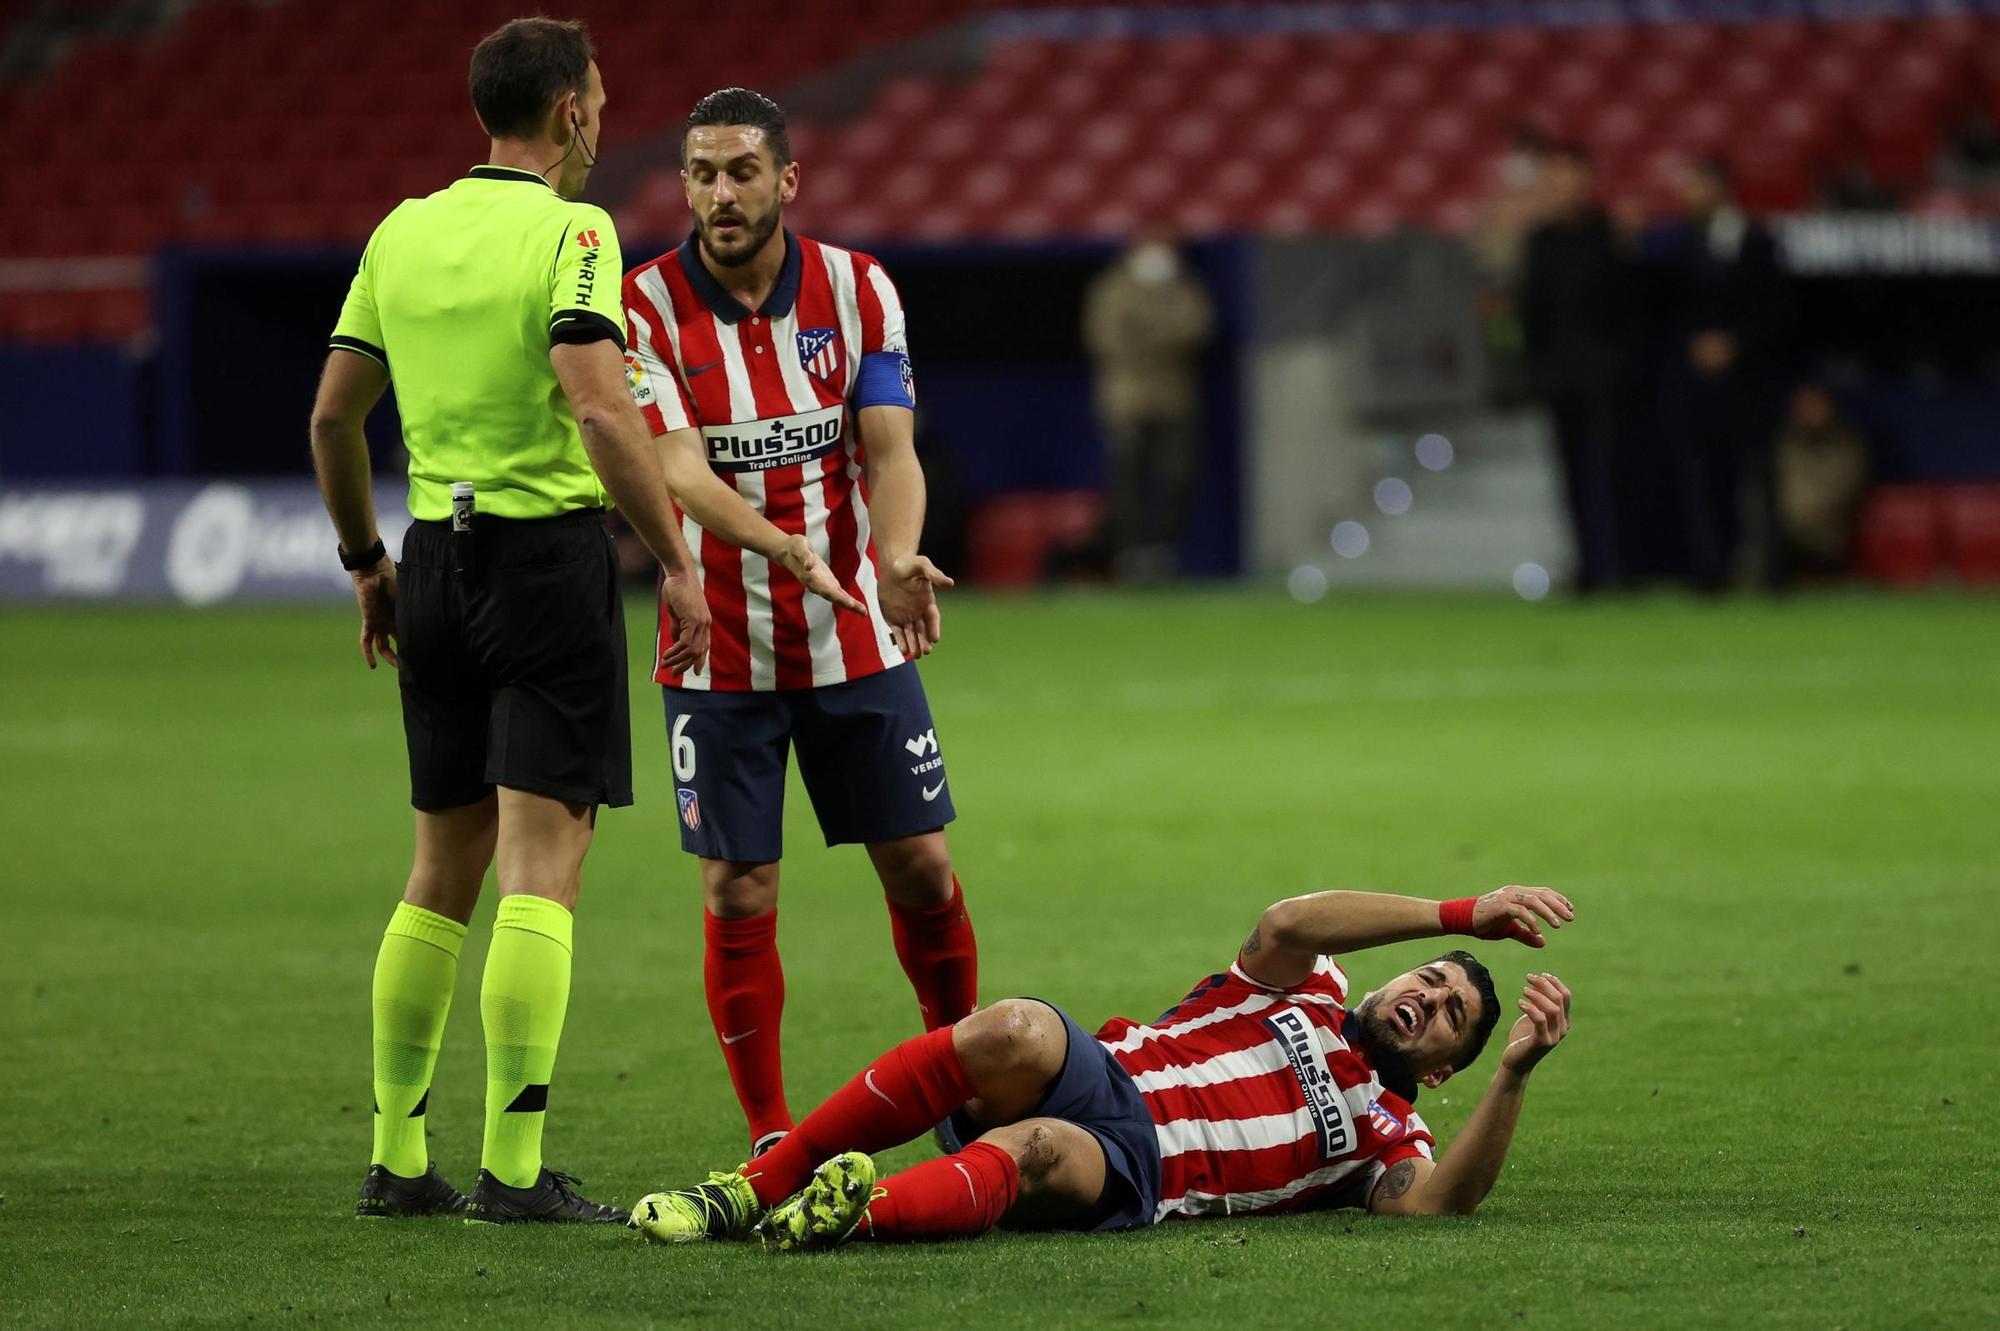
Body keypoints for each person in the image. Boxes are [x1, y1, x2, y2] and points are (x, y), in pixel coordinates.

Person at [310, 21, 852, 1225]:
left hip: (431, 561)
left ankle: (399, 1154)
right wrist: (672, 558)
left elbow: (334, 419)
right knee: (540, 867)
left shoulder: (403, 228)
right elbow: (604, 413)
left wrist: (364, 562)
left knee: (434, 870)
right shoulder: (574, 233)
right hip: (544, 563)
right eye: (598, 98)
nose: (604, 118)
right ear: (565, 111)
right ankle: (511, 1169)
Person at [620, 88, 976, 1158]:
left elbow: (889, 450)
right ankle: (772, 1135)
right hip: (716, 635)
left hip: (852, 631)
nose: (718, 194)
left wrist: (899, 553)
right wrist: (779, 547)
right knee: (738, 881)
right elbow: (676, 466)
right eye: (699, 172)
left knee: (917, 862)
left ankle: (964, 1087)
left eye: (739, 171)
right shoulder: (643, 308)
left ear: (786, 180)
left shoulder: (859, 288)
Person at [630, 883, 1575, 1249]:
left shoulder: (1388, 1135)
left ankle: (847, 1216)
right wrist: (1459, 915)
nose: (1430, 998)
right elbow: (1287, 920)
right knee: (1012, 1028)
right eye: (1431, 980)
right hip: (1103, 1069)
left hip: (1137, 1167)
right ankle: (752, 1188)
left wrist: (1517, 1071)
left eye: (1453, 1014)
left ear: (1445, 1066)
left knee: (1038, 1147)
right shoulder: (1315, 983)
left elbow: (1436, 1202)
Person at [1652, 157, 1792, 591]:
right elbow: (1666, 314)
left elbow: (1779, 310)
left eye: (1697, 186)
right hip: (1697, 388)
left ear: (1720, 187)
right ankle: (1712, 573)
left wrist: (1736, 344)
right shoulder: (1679, 245)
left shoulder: (1759, 242)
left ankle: (1772, 574)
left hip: (1751, 384)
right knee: (1705, 483)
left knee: (1760, 480)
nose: (1689, 196)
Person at [1519, 142, 1635, 593]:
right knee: (1569, 479)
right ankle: (1586, 568)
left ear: (1586, 182)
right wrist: (1537, 371)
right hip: (1561, 380)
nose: (1562, 188)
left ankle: (1622, 566)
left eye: (1569, 178)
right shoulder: (1541, 240)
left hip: (1609, 378)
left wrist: (1623, 366)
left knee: (1614, 475)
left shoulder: (1612, 235)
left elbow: (1629, 309)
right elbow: (1533, 312)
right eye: (1554, 179)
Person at [1081, 226, 1215, 582]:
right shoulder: (1113, 288)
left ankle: (1161, 552)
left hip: (1174, 400)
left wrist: (1145, 331)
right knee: (1126, 482)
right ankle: (1130, 555)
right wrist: (1161, 335)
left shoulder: (1183, 288)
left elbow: (1198, 329)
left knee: (1177, 476)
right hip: (1126, 400)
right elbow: (1106, 338)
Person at [1772, 384, 1869, 586]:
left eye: (1815, 406)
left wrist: (1803, 518)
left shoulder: (1846, 445)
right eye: (1803, 406)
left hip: (1828, 534)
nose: (1809, 413)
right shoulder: (1783, 444)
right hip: (1786, 533)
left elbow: (1844, 493)